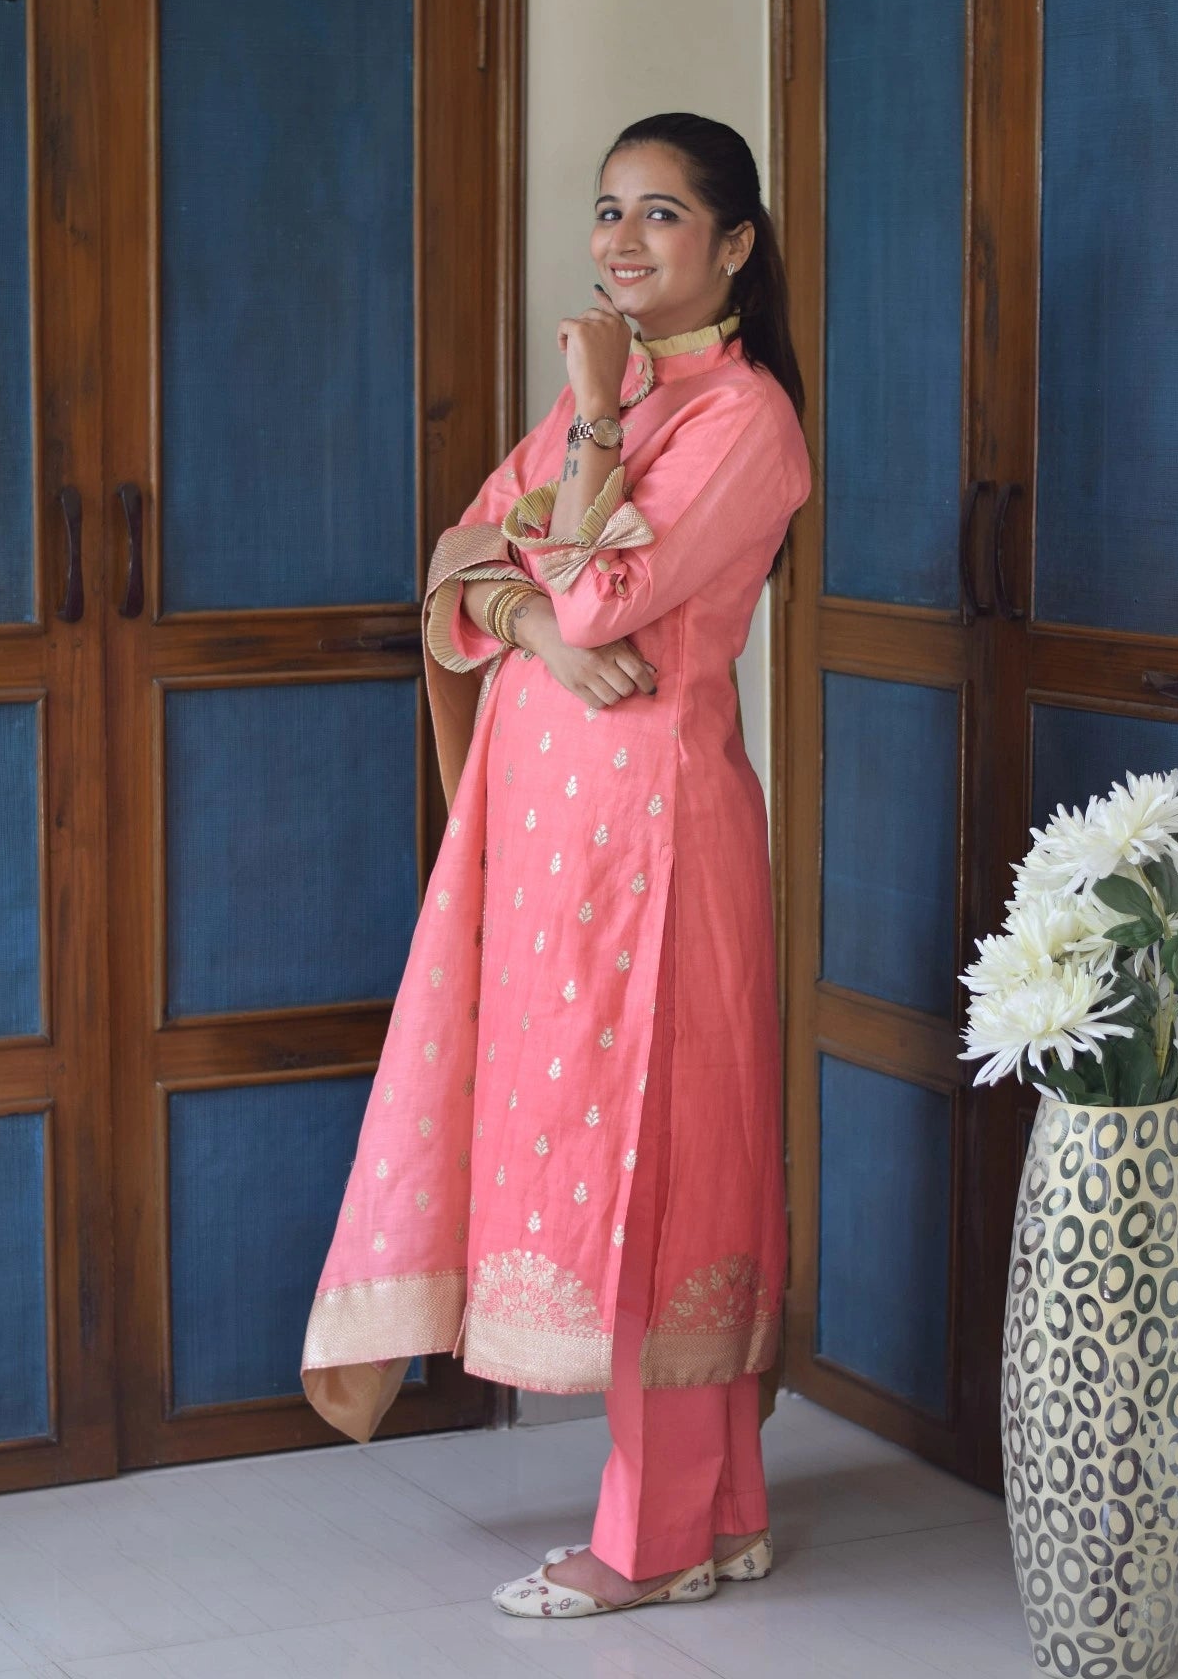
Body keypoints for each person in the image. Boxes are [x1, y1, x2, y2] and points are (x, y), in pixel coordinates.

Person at [301, 111, 811, 1618]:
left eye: (662, 216)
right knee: (608, 1143)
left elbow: (605, 602)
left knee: (667, 1156)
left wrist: (583, 459)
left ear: (733, 245)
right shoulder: (624, 392)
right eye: (609, 211)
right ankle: (717, 1512)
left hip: (656, 841)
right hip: (545, 846)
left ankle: (650, 1541)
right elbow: (471, 558)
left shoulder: (740, 421)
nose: (623, 242)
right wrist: (522, 619)